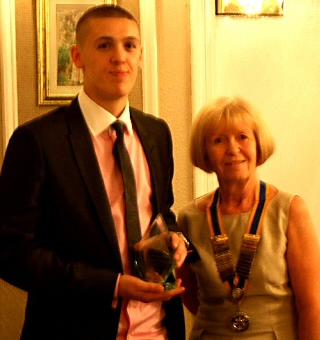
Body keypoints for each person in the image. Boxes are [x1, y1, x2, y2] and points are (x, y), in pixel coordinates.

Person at [0, 5, 187, 340]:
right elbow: (10, 250)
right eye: (105, 45)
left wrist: (175, 240)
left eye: (130, 46)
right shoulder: (38, 141)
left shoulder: (157, 133)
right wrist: (112, 285)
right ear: (77, 56)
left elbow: (162, 214)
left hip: (159, 329)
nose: (120, 56)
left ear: (141, 56)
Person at [176, 96, 320, 339]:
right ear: (205, 154)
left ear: (258, 144)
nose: (233, 149)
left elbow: (312, 304)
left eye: (242, 137)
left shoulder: (290, 210)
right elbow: (187, 292)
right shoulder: (189, 218)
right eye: (219, 140)